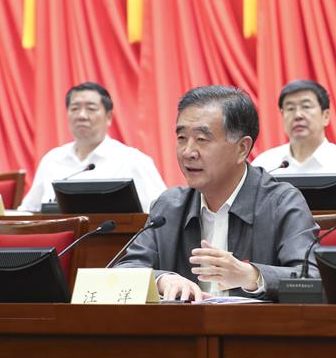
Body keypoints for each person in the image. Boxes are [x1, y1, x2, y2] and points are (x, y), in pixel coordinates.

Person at [115, 85, 319, 301]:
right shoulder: (169, 206)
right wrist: (162, 280)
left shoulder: (281, 202)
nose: (188, 152)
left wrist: (252, 276)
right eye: (182, 138)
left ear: (242, 148)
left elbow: (312, 281)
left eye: (201, 139)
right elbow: (125, 270)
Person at [19, 82, 166, 212]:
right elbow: (29, 210)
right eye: (75, 108)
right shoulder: (52, 160)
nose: (81, 115)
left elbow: (161, 210)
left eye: (91, 108)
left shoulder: (132, 160)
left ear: (108, 117)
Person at [251, 79, 336, 189]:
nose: (298, 115)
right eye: (290, 108)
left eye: (306, 106)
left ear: (326, 116)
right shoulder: (266, 165)